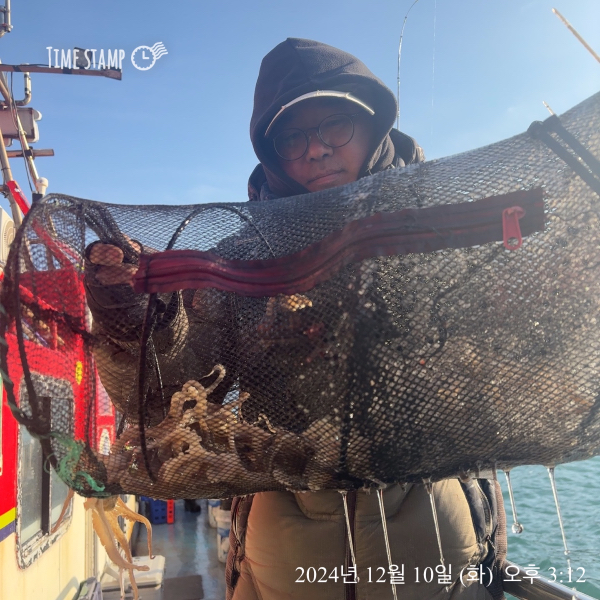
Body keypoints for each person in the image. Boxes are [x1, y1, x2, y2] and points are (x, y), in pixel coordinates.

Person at [85, 38, 506, 600]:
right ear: (272, 153)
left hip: (434, 523)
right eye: (291, 138)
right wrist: (134, 310)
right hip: (285, 535)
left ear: (373, 123)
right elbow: (172, 393)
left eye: (335, 125)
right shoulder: (242, 258)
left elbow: (507, 366)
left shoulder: (442, 231)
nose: (315, 150)